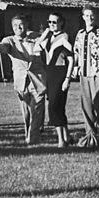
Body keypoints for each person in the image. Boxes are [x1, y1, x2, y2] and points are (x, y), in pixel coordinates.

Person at [0, 13, 47, 145]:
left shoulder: (36, 37)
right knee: (26, 112)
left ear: (26, 25)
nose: (18, 28)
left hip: (37, 79)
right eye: (15, 25)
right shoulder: (9, 40)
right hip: (21, 80)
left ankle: (33, 138)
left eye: (21, 25)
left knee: (37, 108)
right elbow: (2, 48)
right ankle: (29, 133)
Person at [73, 7, 99, 147]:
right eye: (87, 15)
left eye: (92, 16)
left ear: (95, 17)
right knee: (87, 104)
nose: (89, 18)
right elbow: (76, 52)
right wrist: (74, 67)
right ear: (83, 17)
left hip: (98, 72)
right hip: (84, 73)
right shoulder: (80, 33)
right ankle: (90, 132)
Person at [36, 12, 74, 148]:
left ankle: (61, 140)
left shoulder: (65, 37)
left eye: (54, 22)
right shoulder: (49, 37)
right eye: (49, 22)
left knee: (54, 106)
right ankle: (66, 136)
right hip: (49, 73)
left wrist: (67, 78)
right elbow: (36, 49)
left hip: (60, 73)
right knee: (58, 106)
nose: (51, 25)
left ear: (61, 23)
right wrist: (44, 35)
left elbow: (71, 58)